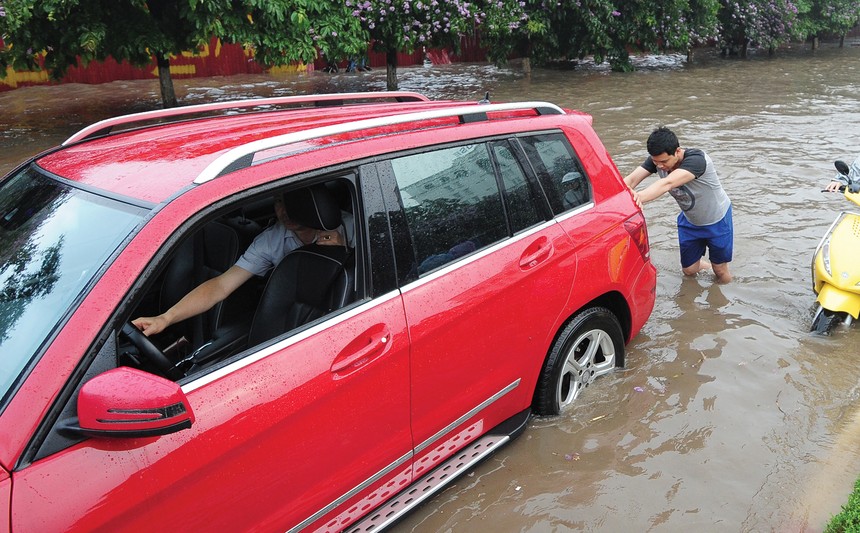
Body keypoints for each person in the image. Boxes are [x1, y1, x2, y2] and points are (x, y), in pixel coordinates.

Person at [132, 192, 350, 337]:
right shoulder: (270, 240)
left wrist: (345, 255)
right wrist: (166, 318)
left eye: (293, 202)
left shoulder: (353, 227)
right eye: (278, 202)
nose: (284, 212)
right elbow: (220, 286)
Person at [624, 126, 733, 284]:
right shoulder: (657, 160)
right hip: (690, 220)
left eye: (664, 161)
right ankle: (708, 267)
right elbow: (631, 180)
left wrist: (637, 197)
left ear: (677, 151)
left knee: (720, 271)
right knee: (689, 270)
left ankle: (724, 303)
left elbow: (667, 183)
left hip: (717, 220)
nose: (660, 166)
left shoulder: (697, 160)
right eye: (655, 162)